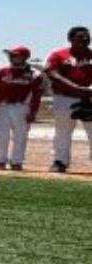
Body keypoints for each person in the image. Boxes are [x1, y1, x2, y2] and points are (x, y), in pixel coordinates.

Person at [44, 26, 92, 174]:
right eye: (80, 37)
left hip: (89, 97)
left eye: (87, 36)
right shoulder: (59, 55)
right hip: (65, 97)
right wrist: (77, 88)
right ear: (70, 39)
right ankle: (60, 161)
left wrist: (88, 90)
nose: (85, 39)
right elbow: (53, 73)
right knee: (63, 131)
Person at [0, 46, 43, 171]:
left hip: (22, 106)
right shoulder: (2, 71)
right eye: (11, 55)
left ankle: (17, 161)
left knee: (20, 135)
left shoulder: (34, 74)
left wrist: (33, 111)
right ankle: (0, 160)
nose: (12, 57)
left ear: (24, 57)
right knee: (2, 135)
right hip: (3, 106)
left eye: (15, 55)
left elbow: (36, 95)